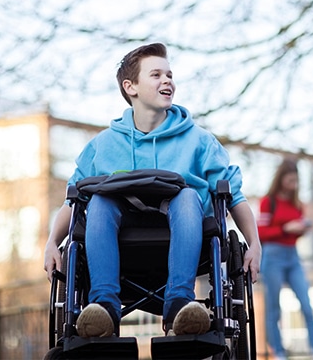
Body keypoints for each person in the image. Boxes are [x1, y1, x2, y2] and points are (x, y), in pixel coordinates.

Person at [43, 42, 262, 338]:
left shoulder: (199, 141)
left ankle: (180, 307)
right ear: (130, 87)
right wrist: (52, 243)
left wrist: (255, 243)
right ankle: (103, 309)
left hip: (185, 235)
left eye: (169, 74)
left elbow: (232, 195)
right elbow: (73, 199)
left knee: (186, 195)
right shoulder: (103, 145)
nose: (167, 80)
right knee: (100, 200)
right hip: (119, 242)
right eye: (156, 75)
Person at [257, 159, 313, 360]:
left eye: (296, 180)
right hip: (273, 256)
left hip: (292, 256)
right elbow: (261, 232)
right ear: (282, 178)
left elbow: (295, 234)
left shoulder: (298, 204)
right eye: (290, 180)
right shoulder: (268, 202)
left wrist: (300, 229)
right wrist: (286, 228)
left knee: (306, 303)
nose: (293, 184)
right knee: (274, 308)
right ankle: (278, 352)